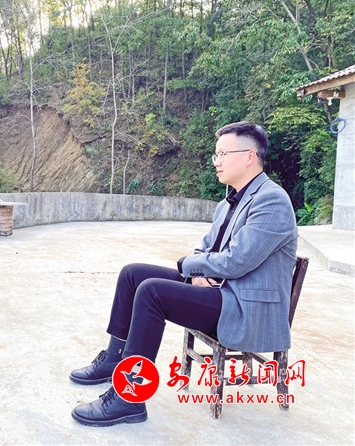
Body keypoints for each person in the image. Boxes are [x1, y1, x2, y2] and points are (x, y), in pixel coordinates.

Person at [69, 121, 298, 427]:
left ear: (249, 157)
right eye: (216, 154)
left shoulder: (272, 200)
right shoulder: (227, 203)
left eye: (223, 154)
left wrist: (189, 266)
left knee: (152, 292)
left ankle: (129, 398)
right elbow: (205, 249)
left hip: (245, 307)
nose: (216, 161)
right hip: (220, 292)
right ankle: (114, 359)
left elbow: (237, 261)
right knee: (133, 275)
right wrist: (195, 273)